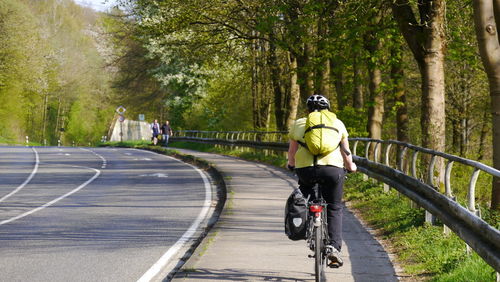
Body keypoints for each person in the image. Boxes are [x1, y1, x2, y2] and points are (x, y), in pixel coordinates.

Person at [287, 94, 357, 267]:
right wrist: (351, 167)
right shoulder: (337, 123)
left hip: (306, 170)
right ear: (328, 108)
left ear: (308, 109)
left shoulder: (299, 123)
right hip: (332, 170)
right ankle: (334, 248)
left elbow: (292, 152)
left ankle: (312, 222)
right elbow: (346, 152)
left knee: (307, 196)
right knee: (334, 206)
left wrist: (291, 164)